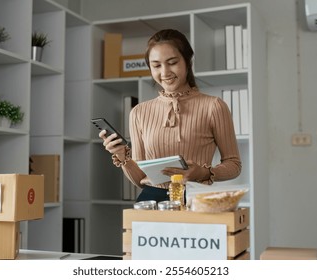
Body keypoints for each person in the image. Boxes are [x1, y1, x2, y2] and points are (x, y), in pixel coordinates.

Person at [99, 29, 241, 203]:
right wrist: (122, 156)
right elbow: (140, 180)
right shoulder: (139, 112)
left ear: (188, 62)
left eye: (172, 62)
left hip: (195, 200)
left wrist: (204, 173)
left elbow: (234, 165)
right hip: (151, 202)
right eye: (156, 65)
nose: (165, 72)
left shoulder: (214, 106)